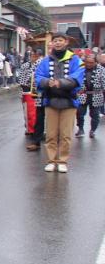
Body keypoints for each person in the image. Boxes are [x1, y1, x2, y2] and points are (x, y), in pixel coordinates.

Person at [35, 33, 84, 173]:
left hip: (69, 101)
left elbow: (78, 76)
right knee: (51, 134)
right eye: (55, 40)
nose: (57, 43)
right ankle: (51, 160)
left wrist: (60, 83)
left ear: (66, 42)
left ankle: (62, 161)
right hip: (51, 101)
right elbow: (38, 76)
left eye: (60, 40)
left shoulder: (76, 60)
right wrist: (47, 82)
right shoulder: (45, 60)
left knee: (65, 134)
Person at [76, 53, 105, 138]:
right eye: (87, 62)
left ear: (96, 62)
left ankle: (93, 130)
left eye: (91, 63)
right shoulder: (81, 68)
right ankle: (80, 129)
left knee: (95, 115)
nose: (88, 64)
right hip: (83, 94)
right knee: (79, 113)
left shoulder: (101, 70)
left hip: (96, 95)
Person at [19, 49, 43, 151]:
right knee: (27, 112)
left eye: (36, 55)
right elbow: (22, 79)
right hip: (27, 90)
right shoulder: (25, 65)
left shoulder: (42, 64)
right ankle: (30, 129)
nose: (33, 57)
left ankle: (36, 132)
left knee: (36, 113)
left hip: (39, 92)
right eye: (32, 55)